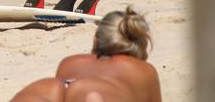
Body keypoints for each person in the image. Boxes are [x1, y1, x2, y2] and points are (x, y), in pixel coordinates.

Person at [11, 6, 162, 102]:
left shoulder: (69, 62)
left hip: (49, 88)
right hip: (98, 95)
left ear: (96, 39)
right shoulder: (144, 71)